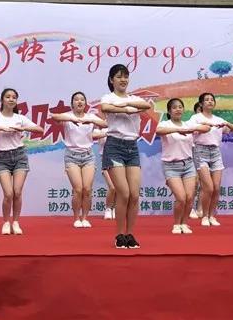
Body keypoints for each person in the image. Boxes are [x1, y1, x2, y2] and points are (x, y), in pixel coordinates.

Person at [100, 64, 151, 249]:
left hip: (132, 147)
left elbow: (146, 105)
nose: (123, 80)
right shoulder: (108, 97)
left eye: (126, 76)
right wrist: (127, 108)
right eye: (119, 76)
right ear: (111, 79)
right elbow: (105, 107)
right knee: (124, 193)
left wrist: (125, 106)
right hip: (114, 146)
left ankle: (130, 234)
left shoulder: (134, 98)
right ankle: (120, 235)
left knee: (134, 195)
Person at [0, 89, 44, 235]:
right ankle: (6, 222)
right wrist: (1, 128)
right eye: (8, 97)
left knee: (17, 192)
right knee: (8, 193)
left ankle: (15, 222)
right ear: (2, 100)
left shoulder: (19, 117)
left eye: (14, 97)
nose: (11, 99)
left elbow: (39, 129)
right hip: (1, 157)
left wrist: (23, 128)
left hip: (19, 155)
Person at [51, 91, 107, 228]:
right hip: (72, 156)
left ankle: (85, 218)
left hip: (88, 155)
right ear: (72, 104)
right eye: (76, 99)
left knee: (87, 189)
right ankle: (76, 218)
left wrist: (91, 120)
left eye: (82, 99)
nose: (79, 102)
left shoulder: (90, 117)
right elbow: (54, 116)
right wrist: (73, 119)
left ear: (85, 103)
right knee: (78, 189)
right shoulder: (68, 116)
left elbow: (105, 124)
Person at [155, 99, 210, 234]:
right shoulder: (165, 124)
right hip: (171, 166)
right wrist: (178, 130)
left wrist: (191, 129)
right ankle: (176, 224)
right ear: (169, 111)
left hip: (188, 165)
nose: (178, 109)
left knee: (189, 197)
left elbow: (206, 128)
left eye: (180, 107)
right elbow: (158, 131)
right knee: (181, 197)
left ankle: (184, 223)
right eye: (174, 107)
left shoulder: (188, 124)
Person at [188, 92, 233, 227]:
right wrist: (204, 124)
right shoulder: (196, 117)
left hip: (215, 152)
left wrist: (226, 123)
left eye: (212, 100)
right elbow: (189, 128)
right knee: (208, 187)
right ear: (201, 104)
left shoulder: (218, 119)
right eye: (207, 100)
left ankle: (212, 216)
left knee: (216, 188)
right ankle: (204, 216)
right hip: (200, 151)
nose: (210, 101)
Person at [189, 101, 204, 219]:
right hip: (193, 151)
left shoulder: (211, 122)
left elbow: (227, 130)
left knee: (205, 182)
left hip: (207, 153)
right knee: (194, 182)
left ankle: (200, 208)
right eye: (200, 110)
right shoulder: (191, 122)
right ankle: (190, 208)